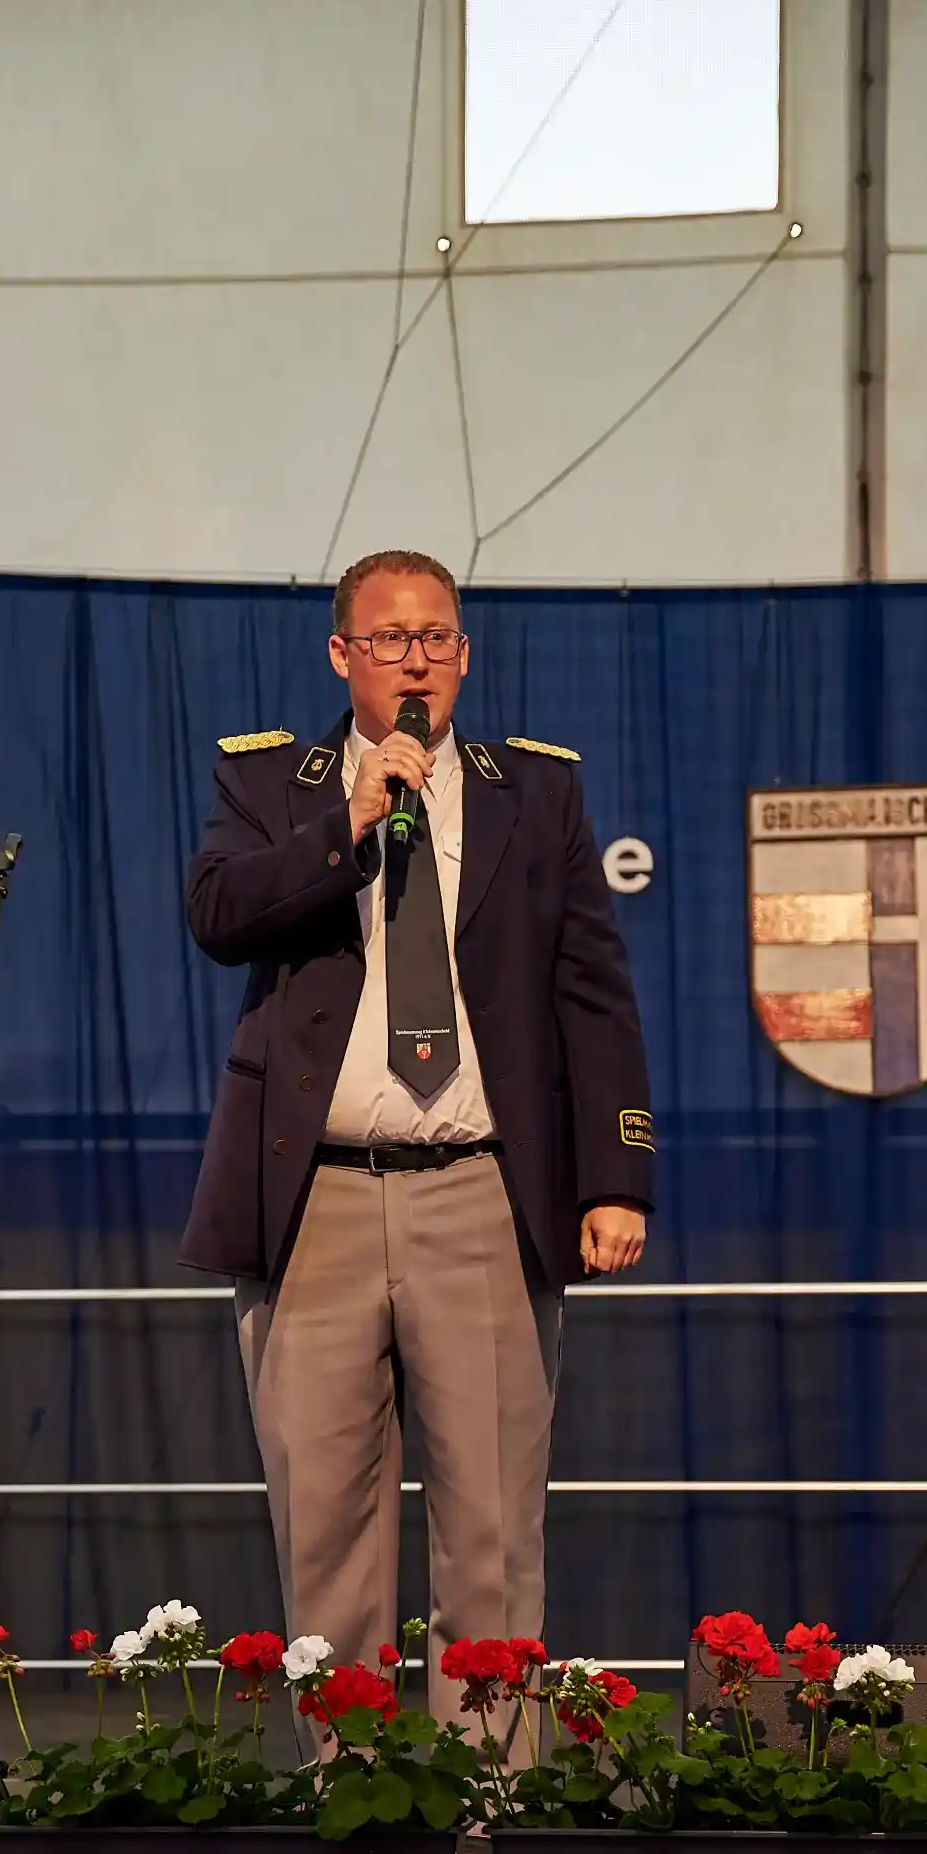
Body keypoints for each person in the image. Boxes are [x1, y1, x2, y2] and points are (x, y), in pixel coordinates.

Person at [182, 548, 653, 1739]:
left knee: (489, 1535)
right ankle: (352, 1796)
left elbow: (591, 996)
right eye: (389, 640)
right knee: (325, 1540)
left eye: (435, 638)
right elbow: (218, 915)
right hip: (316, 1203)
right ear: (341, 655)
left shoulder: (532, 792)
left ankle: (488, 1797)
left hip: (478, 1194)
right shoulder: (271, 784)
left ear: (464, 655)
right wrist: (345, 821)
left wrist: (614, 1178)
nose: (414, 662)